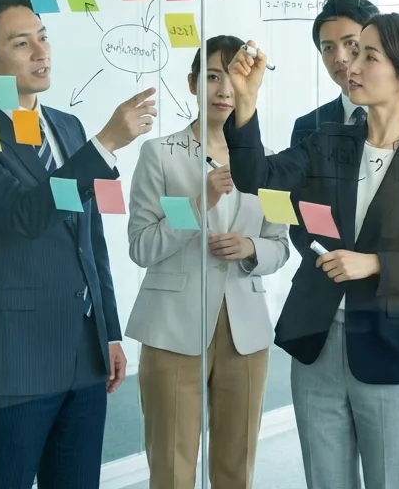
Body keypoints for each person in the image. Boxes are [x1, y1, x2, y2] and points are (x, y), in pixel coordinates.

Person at [223, 14, 399, 489]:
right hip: (316, 341)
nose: (350, 65)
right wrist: (247, 101)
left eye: (367, 56)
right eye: (354, 54)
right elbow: (254, 176)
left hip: (392, 346)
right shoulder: (327, 142)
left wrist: (377, 264)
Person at [0, 0, 154, 489]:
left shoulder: (67, 128)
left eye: (43, 37)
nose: (41, 52)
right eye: (20, 43)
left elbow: (89, 241)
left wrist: (109, 333)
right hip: (15, 362)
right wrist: (107, 143)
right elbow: (24, 216)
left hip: (83, 356)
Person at [288, 0, 399, 489]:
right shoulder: (311, 127)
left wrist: (375, 262)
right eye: (327, 48)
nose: (341, 59)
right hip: (324, 313)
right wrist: (324, 250)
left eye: (353, 45)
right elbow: (300, 215)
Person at [125, 34, 292, 489]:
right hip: (172, 327)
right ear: (193, 83)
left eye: (233, 78)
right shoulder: (160, 154)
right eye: (212, 77)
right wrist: (201, 203)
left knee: (236, 465)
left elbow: (281, 245)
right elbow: (141, 245)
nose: (223, 90)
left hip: (245, 331)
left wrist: (252, 249)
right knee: (173, 466)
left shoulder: (270, 162)